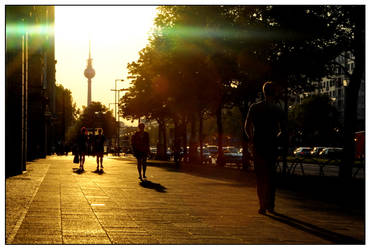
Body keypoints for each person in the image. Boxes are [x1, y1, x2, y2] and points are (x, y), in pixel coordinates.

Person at [244, 81, 286, 215]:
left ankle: (262, 205)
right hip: (272, 145)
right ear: (274, 93)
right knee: (271, 176)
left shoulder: (254, 107)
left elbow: (247, 125)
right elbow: (283, 130)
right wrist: (277, 137)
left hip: (258, 145)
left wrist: (251, 139)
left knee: (260, 177)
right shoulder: (278, 109)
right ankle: (270, 205)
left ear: (263, 92)